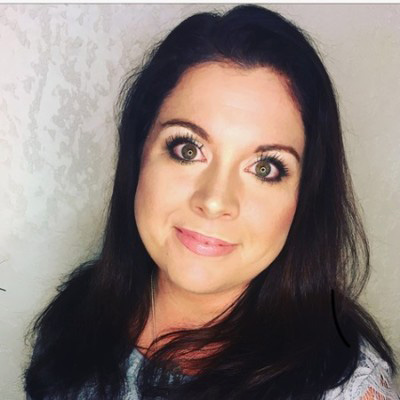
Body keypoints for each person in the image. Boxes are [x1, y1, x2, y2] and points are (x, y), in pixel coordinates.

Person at [24, 4, 399, 400]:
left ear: (304, 196)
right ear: (139, 153)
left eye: (266, 168)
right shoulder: (78, 313)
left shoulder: (345, 389)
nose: (216, 201)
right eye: (187, 149)